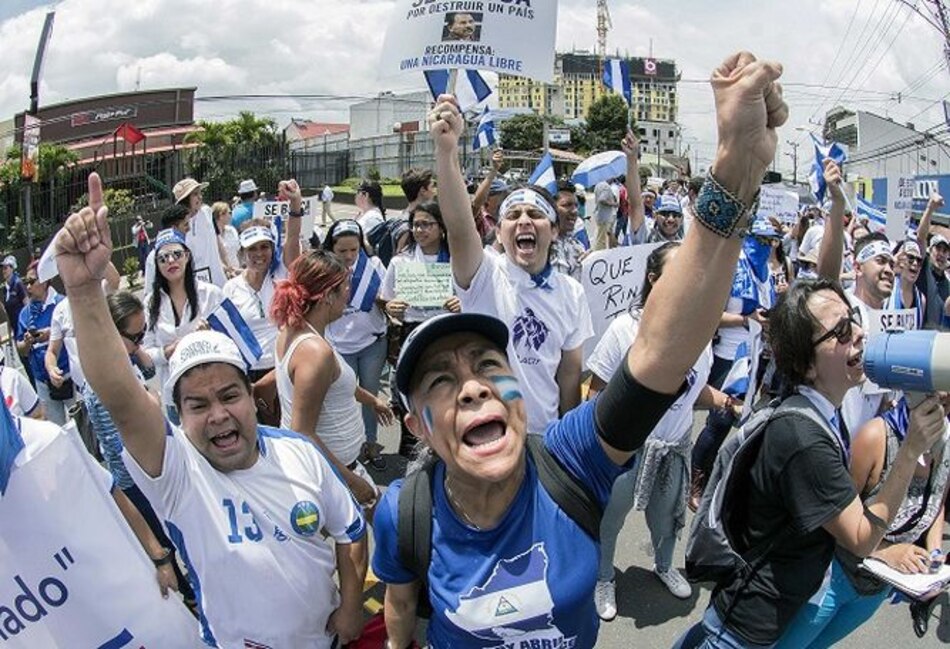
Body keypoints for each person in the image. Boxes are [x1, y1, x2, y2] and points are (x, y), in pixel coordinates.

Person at [372, 50, 791, 649]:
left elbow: (656, 358)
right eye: (440, 381)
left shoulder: (569, 464)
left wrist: (735, 176)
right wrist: (446, 150)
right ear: (415, 423)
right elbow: (399, 605)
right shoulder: (404, 513)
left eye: (492, 365)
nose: (473, 386)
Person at [56, 172, 369, 647]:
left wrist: (349, 609)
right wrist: (83, 292)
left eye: (228, 395)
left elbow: (349, 533)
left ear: (251, 394)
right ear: (177, 415)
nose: (219, 415)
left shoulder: (300, 453)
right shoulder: (177, 471)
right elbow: (121, 397)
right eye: (197, 404)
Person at [676, 278, 947, 649]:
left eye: (852, 319)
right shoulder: (803, 437)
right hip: (742, 631)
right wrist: (911, 449)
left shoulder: (818, 415)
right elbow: (861, 538)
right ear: (806, 365)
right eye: (839, 331)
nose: (856, 333)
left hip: (756, 616)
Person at [588, 242, 736, 615]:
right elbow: (596, 391)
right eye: (678, 272)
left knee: (668, 518)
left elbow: (691, 385)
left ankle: (665, 566)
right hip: (625, 451)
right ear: (653, 280)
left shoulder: (701, 330)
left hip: (675, 446)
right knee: (610, 520)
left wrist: (721, 399)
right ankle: (604, 578)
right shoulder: (625, 328)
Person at [436, 124, 594, 434]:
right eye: (513, 215)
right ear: (499, 230)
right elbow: (458, 224)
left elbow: (569, 374)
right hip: (485, 434)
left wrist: (567, 439)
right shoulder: (484, 274)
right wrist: (446, 151)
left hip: (543, 437)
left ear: (554, 230)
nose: (524, 220)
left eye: (535, 215)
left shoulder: (572, 292)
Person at [773, 394, 950, 648]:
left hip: (876, 589)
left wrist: (934, 551)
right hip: (834, 576)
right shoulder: (875, 438)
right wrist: (886, 551)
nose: (943, 399)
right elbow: (832, 514)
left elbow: (936, 502)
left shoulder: (946, 440)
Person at [272, 249, 393, 515]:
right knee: (370, 538)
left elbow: (329, 381)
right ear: (327, 296)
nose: (349, 293)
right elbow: (302, 432)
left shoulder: (292, 330)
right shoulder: (315, 352)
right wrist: (351, 482)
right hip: (331, 473)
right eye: (345, 286)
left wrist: (372, 400)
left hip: (328, 468)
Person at [380, 202, 462, 457]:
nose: (419, 230)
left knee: (447, 388)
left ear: (441, 227)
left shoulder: (457, 260)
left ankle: (448, 441)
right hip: (411, 331)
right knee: (412, 390)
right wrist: (390, 307)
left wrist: (462, 303)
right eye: (415, 224)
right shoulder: (400, 261)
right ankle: (411, 448)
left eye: (426, 224)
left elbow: (473, 295)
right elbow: (386, 299)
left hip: (445, 330)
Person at [323, 219, 389, 468]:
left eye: (355, 250)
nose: (350, 256)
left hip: (372, 343)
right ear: (332, 249)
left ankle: (372, 444)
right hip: (339, 347)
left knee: (371, 395)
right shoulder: (325, 271)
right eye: (343, 251)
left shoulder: (373, 266)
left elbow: (386, 295)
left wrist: (387, 302)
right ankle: (347, 450)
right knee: (344, 398)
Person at [222, 182, 303, 387]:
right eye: (252, 249)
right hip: (247, 372)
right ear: (241, 254)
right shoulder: (230, 289)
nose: (259, 254)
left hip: (282, 368)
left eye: (264, 247)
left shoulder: (281, 274)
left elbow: (292, 238)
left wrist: (295, 203)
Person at [142, 228, 224, 411]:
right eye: (163, 258)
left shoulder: (210, 294)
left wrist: (207, 337)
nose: (171, 261)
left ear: (187, 256)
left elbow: (231, 340)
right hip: (174, 396)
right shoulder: (150, 303)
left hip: (212, 389)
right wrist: (168, 351)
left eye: (176, 254)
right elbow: (146, 354)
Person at [15, 261, 71, 424]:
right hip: (42, 381)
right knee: (56, 429)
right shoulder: (25, 314)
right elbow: (20, 349)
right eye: (26, 282)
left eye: (32, 281)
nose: (28, 286)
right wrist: (26, 343)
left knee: (85, 425)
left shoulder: (62, 304)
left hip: (68, 376)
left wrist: (52, 334)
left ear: (46, 281)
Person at [172, 177, 229, 287]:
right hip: (194, 282)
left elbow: (217, 241)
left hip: (218, 278)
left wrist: (228, 265)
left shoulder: (207, 212)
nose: (200, 197)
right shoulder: (177, 224)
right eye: (195, 194)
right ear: (185, 199)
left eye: (200, 193)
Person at [914, 193, 948, 330]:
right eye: (937, 248)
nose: (941, 254)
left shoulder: (947, 283)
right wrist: (930, 208)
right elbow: (921, 238)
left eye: (945, 251)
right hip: (923, 342)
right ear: (929, 250)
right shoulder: (924, 270)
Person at [550, 180, 588, 281]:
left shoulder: (578, 247)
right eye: (567, 205)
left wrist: (588, 264)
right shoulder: (539, 249)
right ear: (550, 209)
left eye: (576, 205)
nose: (575, 211)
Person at [887, 239, 926, 329]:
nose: (915, 263)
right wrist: (891, 264)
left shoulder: (921, 299)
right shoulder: (885, 289)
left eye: (919, 260)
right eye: (910, 258)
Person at [211, 200, 240, 275]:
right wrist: (227, 270)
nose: (231, 215)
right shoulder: (211, 235)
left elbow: (238, 251)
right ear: (221, 215)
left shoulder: (232, 230)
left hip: (237, 271)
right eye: (229, 213)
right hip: (220, 273)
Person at [593, 177, 618, 250]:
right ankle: (599, 253)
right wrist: (613, 204)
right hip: (605, 216)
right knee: (601, 239)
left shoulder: (598, 185)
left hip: (600, 214)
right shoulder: (606, 187)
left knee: (601, 235)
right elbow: (602, 199)